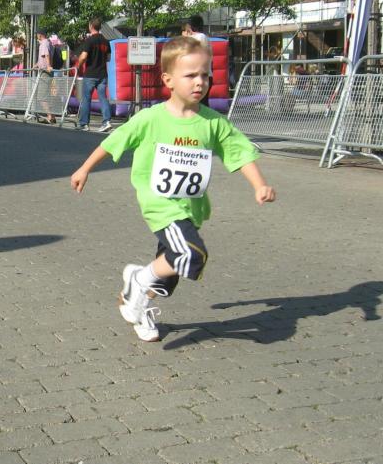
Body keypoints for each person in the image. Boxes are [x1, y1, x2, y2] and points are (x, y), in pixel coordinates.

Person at [70, 36, 276, 342]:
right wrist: (85, 168)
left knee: (171, 273)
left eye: (205, 74)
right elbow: (113, 142)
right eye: (190, 75)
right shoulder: (150, 118)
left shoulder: (213, 122)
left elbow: (240, 152)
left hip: (190, 207)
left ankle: (139, 302)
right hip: (160, 204)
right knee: (191, 253)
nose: (200, 82)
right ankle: (139, 280)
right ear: (168, 80)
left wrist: (259, 184)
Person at [76, 18, 113, 133]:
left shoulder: (89, 40)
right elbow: (108, 58)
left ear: (91, 26)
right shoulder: (106, 41)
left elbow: (83, 57)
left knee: (86, 98)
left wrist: (78, 66)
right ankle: (106, 122)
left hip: (90, 74)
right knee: (103, 98)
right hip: (102, 74)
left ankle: (84, 124)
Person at [33, 30, 55, 124]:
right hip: (46, 71)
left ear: (40, 35)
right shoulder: (48, 42)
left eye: (37, 34)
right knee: (46, 96)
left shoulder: (44, 43)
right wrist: (36, 65)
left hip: (45, 72)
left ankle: (50, 116)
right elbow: (43, 58)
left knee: (41, 97)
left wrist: (49, 66)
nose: (36, 36)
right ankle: (52, 116)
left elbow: (46, 54)